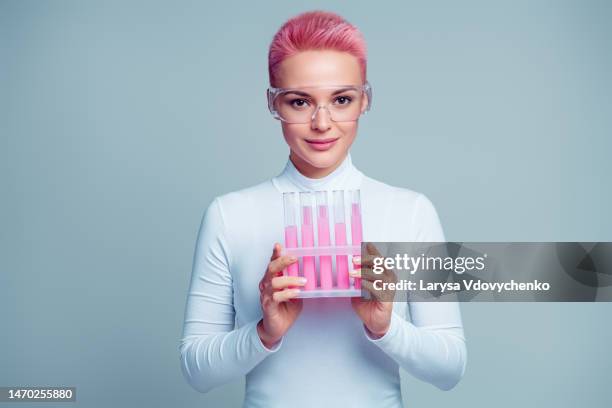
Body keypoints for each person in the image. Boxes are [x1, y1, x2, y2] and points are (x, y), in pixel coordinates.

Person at [179, 10, 467, 407]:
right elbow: (196, 372)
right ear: (273, 103)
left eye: (341, 99)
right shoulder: (229, 215)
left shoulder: (410, 211)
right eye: (300, 102)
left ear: (364, 100)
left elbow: (450, 368)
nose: (322, 122)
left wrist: (386, 327)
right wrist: (265, 333)